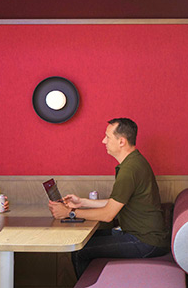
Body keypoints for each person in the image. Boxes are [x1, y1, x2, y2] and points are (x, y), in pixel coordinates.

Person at [48, 118, 170, 278]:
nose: (103, 140)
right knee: (84, 238)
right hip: (144, 236)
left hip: (146, 242)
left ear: (121, 141)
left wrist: (70, 213)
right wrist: (82, 202)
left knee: (79, 250)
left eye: (108, 137)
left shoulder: (130, 170)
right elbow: (117, 202)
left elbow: (108, 215)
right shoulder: (133, 162)